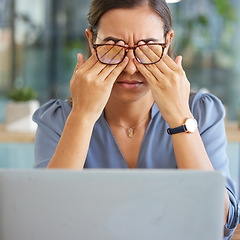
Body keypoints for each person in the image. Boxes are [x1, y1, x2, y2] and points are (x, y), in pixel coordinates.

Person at [32, 0, 239, 238]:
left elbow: (220, 224)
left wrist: (179, 116)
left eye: (147, 47)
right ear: (91, 41)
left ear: (167, 42)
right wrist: (83, 115)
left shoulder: (202, 113)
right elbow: (45, 222)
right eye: (113, 46)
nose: (130, 67)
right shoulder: (58, 121)